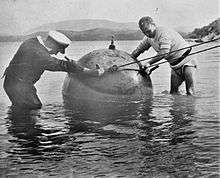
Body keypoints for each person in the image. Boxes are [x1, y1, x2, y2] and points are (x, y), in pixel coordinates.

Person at [3, 31, 106, 109]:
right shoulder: (39, 54)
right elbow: (58, 64)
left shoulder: (32, 42)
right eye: (59, 49)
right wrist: (91, 72)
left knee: (25, 108)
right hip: (19, 86)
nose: (58, 53)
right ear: (52, 44)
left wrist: (72, 65)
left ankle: (16, 127)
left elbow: (53, 60)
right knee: (32, 108)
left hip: (14, 83)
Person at [111, 16, 197, 95]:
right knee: (173, 93)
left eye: (148, 31)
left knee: (190, 92)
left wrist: (149, 63)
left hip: (188, 61)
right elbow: (138, 51)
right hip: (175, 66)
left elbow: (164, 52)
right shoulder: (148, 38)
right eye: (144, 33)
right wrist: (124, 62)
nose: (147, 34)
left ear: (154, 25)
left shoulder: (163, 33)